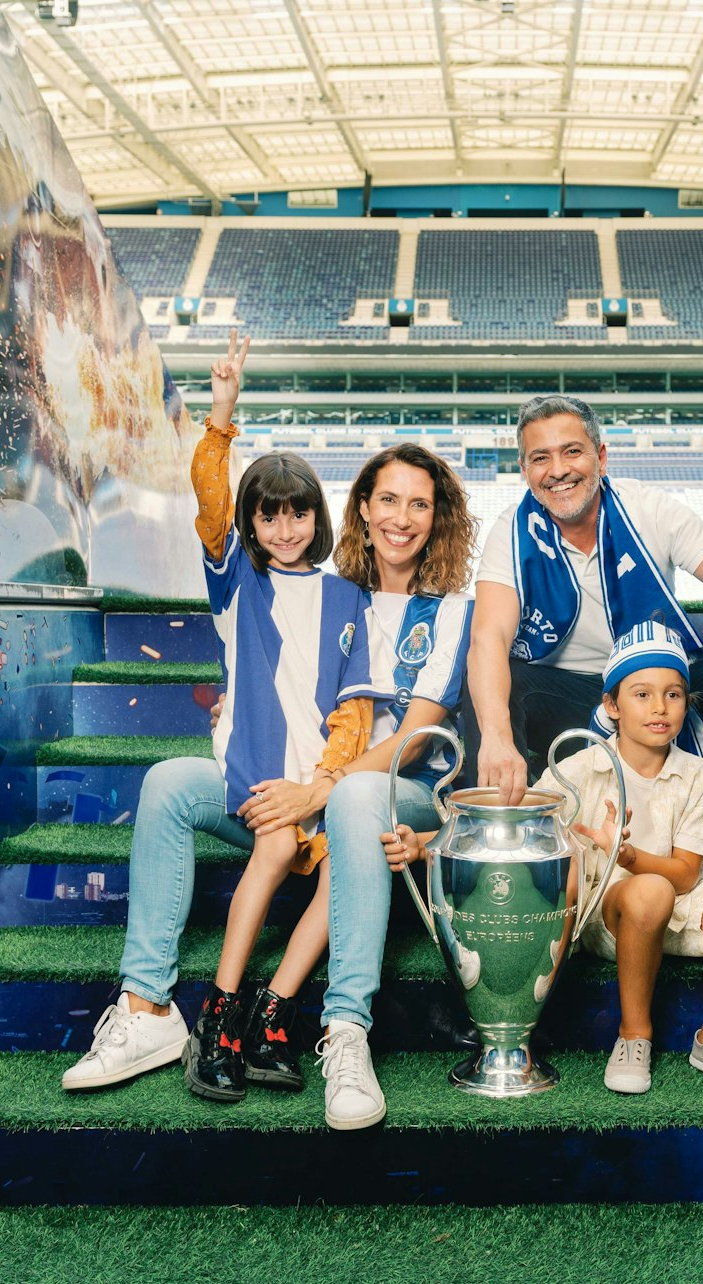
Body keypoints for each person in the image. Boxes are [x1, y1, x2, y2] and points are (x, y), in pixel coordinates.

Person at [62, 332, 373, 1099]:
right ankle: (161, 1009)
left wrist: (323, 785)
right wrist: (222, 415)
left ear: (319, 517)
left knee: (345, 850)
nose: (285, 529)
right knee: (178, 788)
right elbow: (208, 495)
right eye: (269, 517)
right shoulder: (237, 580)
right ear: (251, 524)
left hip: (320, 795)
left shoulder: (348, 598)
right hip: (252, 786)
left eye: (299, 514)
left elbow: (354, 712)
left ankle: (263, 1016)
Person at [465, 394, 703, 962]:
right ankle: (515, 881)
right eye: (540, 458)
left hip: (661, 675)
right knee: (496, 686)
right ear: (524, 469)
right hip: (573, 690)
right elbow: (489, 637)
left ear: (601, 456)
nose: (557, 470)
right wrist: (496, 737)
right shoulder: (511, 531)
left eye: (572, 451)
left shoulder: (650, 508)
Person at [387, 622, 703, 1094]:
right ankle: (634, 1035)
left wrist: (628, 853)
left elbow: (685, 877)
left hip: (682, 908)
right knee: (648, 891)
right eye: (642, 695)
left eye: (674, 695)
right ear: (612, 706)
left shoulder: (700, 775)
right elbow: (516, 821)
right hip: (611, 915)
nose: (659, 707)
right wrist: (424, 842)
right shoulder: (578, 770)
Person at [314, 446, 476, 1131]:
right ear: (362, 507)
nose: (401, 518)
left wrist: (320, 789)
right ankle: (146, 1007)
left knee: (355, 797)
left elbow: (414, 741)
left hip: (405, 791)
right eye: (388, 499)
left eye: (419, 504)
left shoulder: (452, 612)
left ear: (438, 519)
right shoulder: (325, 598)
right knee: (173, 786)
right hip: (316, 775)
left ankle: (346, 1028)